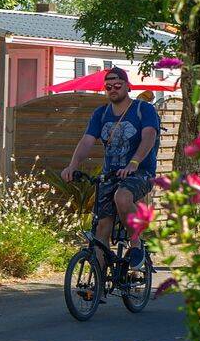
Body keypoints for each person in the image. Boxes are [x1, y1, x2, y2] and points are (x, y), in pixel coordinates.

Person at [61, 67, 160, 279]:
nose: (113, 89)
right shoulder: (101, 114)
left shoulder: (143, 110)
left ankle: (136, 245)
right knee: (101, 228)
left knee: (122, 197)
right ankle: (96, 282)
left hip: (140, 172)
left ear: (127, 86)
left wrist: (134, 162)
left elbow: (149, 137)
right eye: (108, 86)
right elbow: (87, 141)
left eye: (117, 85)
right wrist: (73, 166)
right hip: (110, 175)